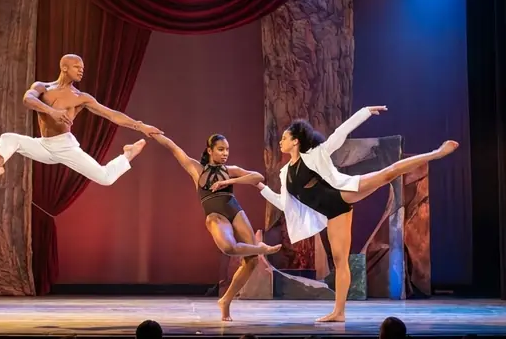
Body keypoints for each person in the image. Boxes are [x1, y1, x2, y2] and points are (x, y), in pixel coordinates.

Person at [257, 106, 458, 322]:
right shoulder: (285, 173)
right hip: (333, 213)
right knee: (340, 261)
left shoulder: (315, 155)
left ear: (296, 141)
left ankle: (435, 153)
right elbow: (282, 203)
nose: (281, 141)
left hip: (343, 194)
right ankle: (339, 312)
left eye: (285, 138)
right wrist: (259, 186)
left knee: (387, 174)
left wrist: (364, 112)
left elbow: (340, 133)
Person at [151, 132, 281, 321]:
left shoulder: (230, 170)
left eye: (227, 150)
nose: (225, 153)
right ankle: (261, 249)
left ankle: (226, 300)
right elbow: (172, 147)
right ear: (210, 150)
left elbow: (258, 177)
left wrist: (229, 181)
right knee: (229, 248)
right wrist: (150, 131)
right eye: (220, 149)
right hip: (215, 215)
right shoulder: (197, 169)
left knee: (252, 262)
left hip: (235, 210)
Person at [0, 54, 162, 184]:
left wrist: (140, 126)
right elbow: (27, 99)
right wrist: (52, 111)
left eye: (82, 68)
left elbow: (111, 114)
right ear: (64, 68)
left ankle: (128, 154)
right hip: (44, 145)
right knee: (8, 138)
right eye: (77, 67)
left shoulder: (81, 97)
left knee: (106, 178)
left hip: (65, 146)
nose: (81, 71)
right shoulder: (42, 87)